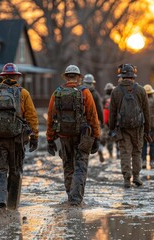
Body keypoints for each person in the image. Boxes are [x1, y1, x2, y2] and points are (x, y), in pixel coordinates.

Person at [0, 63, 39, 210]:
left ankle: (1, 202)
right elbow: (32, 117)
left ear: (3, 77)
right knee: (15, 171)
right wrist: (34, 137)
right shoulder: (23, 93)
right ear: (16, 77)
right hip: (17, 141)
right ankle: (12, 205)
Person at [46, 65, 100, 206]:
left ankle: (70, 195)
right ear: (78, 77)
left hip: (63, 136)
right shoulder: (85, 92)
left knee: (68, 165)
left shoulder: (56, 93)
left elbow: (51, 118)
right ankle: (76, 199)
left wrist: (50, 139)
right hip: (82, 136)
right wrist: (96, 137)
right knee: (80, 166)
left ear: (66, 77)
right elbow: (93, 116)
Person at [108, 64, 151, 188]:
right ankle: (136, 177)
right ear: (133, 76)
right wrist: (147, 130)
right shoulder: (141, 90)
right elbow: (146, 112)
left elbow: (112, 112)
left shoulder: (115, 91)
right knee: (137, 152)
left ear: (121, 75)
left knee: (125, 152)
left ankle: (127, 179)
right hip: (138, 128)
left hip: (122, 128)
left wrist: (111, 129)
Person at [83, 73, 105, 163]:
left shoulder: (80, 91)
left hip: (81, 121)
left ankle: (84, 155)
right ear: (92, 83)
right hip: (93, 120)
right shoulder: (95, 94)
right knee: (96, 136)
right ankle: (98, 147)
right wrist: (102, 121)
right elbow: (99, 109)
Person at [101, 82, 119, 159]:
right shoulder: (115, 98)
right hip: (115, 120)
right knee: (117, 137)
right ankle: (118, 152)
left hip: (106, 121)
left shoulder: (104, 99)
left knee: (109, 138)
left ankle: (110, 153)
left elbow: (101, 110)